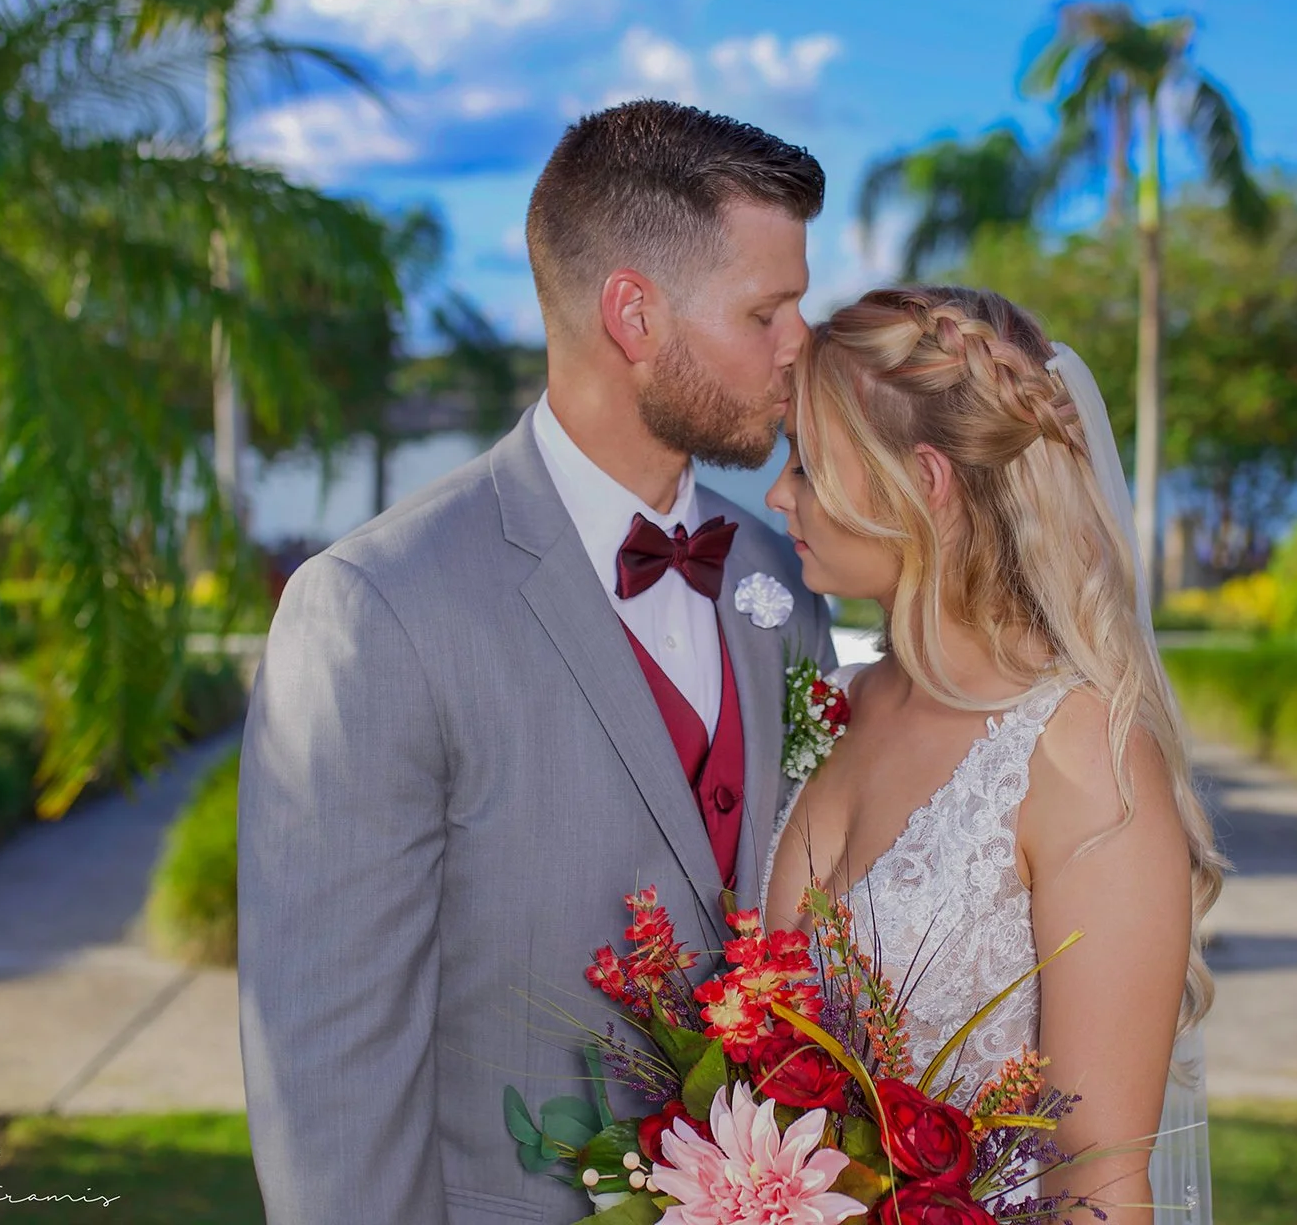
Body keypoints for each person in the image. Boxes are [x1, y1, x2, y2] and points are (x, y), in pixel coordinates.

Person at [237, 99, 837, 1225]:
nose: (800, 343)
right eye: (767, 309)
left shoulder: (778, 579)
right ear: (634, 316)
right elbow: (329, 1084)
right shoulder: (374, 610)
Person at [760, 283, 1227, 1220]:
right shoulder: (838, 703)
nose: (778, 496)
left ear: (925, 483)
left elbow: (1098, 1179)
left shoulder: (1083, 760)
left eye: (809, 466)